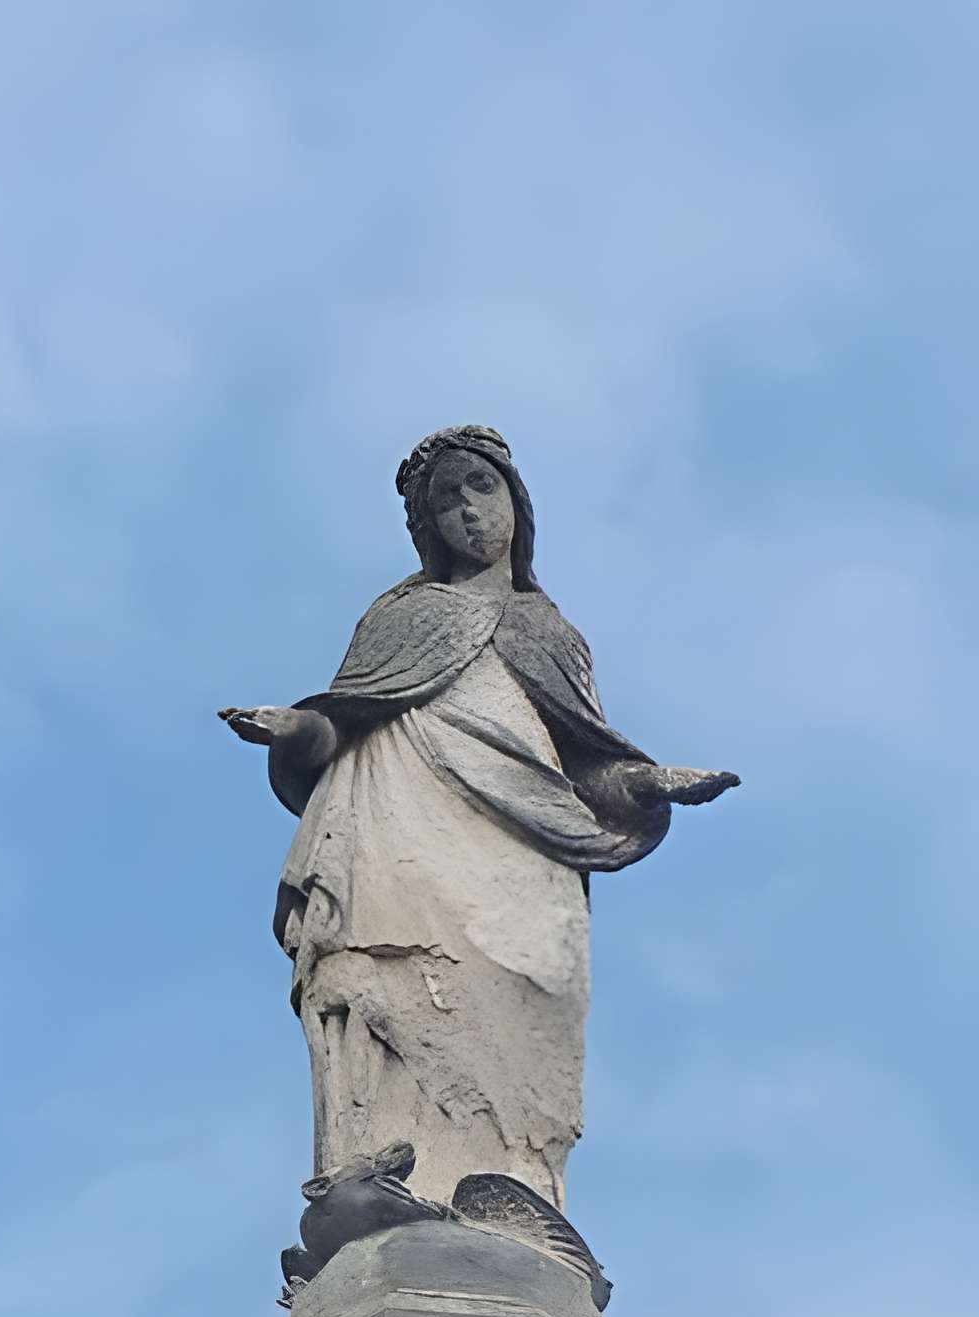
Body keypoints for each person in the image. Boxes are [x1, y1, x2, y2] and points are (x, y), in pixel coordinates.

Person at [222, 426, 735, 1215]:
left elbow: (586, 764)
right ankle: (380, 1173)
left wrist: (647, 781)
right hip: (396, 817)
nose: (467, 512)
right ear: (427, 528)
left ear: (515, 502)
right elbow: (342, 724)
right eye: (446, 501)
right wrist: (294, 729)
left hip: (521, 850)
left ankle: (513, 1189)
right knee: (385, 983)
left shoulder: (550, 633)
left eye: (479, 489)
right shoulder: (402, 617)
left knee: (521, 997)